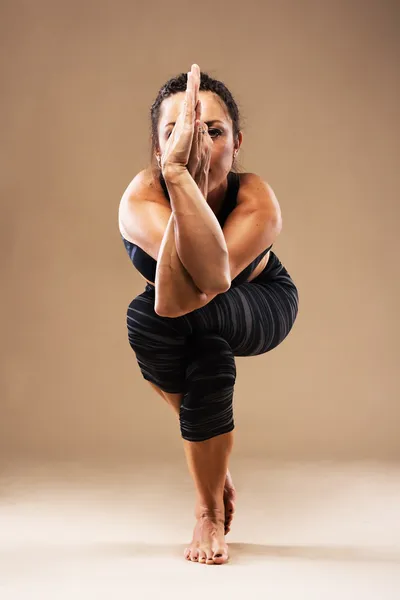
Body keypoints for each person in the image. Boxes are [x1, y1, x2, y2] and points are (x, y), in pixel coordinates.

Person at [118, 64, 299, 565]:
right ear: (157, 148)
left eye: (211, 132)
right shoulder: (140, 197)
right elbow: (177, 300)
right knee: (204, 359)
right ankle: (208, 510)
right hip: (190, 318)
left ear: (237, 143)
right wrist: (172, 181)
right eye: (175, 133)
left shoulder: (256, 197)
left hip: (263, 302)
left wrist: (181, 176)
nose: (193, 145)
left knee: (153, 316)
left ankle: (207, 475)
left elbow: (193, 290)